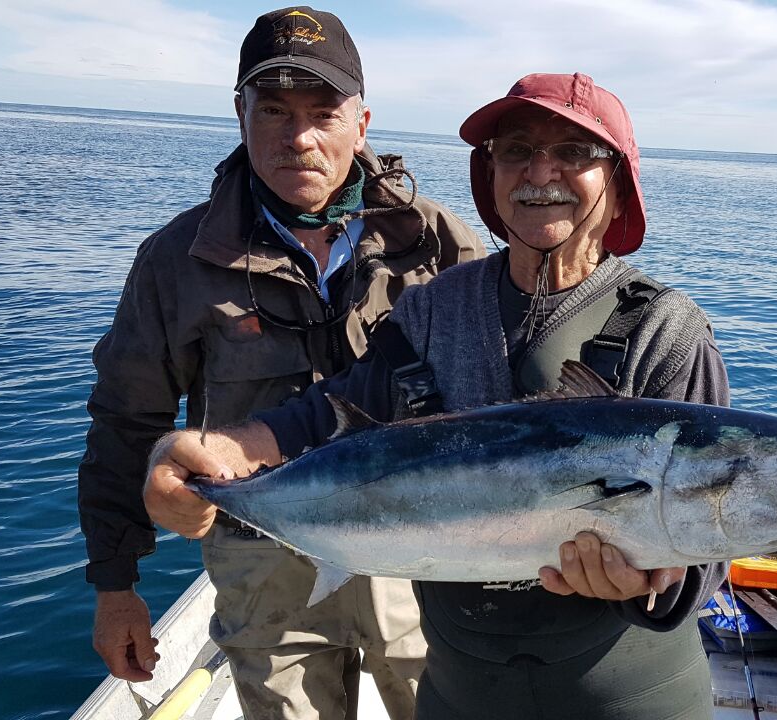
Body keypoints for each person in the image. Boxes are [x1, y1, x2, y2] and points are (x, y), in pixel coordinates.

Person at [145, 72, 728, 719]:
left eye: (574, 153)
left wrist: (650, 585)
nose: (542, 172)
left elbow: (704, 564)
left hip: (634, 701)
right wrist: (205, 451)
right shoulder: (433, 310)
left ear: (618, 181)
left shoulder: (666, 330)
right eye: (516, 150)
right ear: (491, 175)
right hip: (459, 697)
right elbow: (325, 413)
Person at [78, 6, 483, 719]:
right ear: (239, 113)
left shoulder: (439, 242)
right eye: (272, 110)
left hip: (424, 556)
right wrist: (117, 588)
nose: (298, 138)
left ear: (361, 123)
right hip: (265, 572)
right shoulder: (176, 262)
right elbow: (124, 420)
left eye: (323, 112)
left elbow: (506, 395)